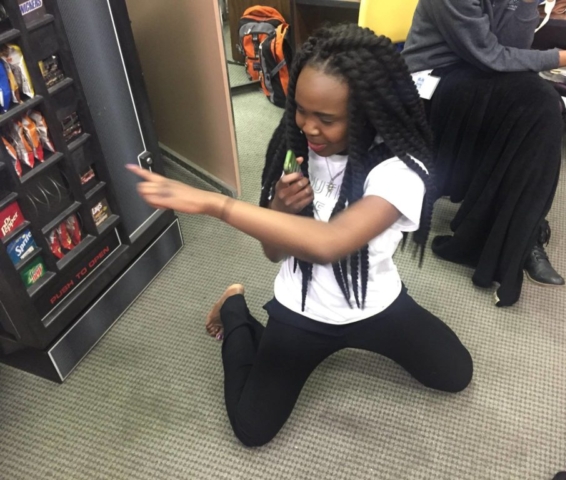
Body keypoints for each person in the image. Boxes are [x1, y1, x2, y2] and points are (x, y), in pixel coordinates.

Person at [128, 25, 473, 447]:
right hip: (301, 308)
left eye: (326, 119)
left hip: (375, 303)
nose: (308, 127)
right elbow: (274, 253)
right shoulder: (295, 151)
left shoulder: (399, 170)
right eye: (300, 109)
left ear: (368, 112)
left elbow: (330, 243)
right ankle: (234, 307)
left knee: (455, 373)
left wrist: (217, 204)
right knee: (252, 429)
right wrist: (278, 208)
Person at [402, 0, 566, 306]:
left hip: (484, 73)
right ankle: (518, 236)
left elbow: (512, 49)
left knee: (542, 105)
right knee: (538, 103)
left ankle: (520, 233)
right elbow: (489, 55)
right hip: (434, 77)